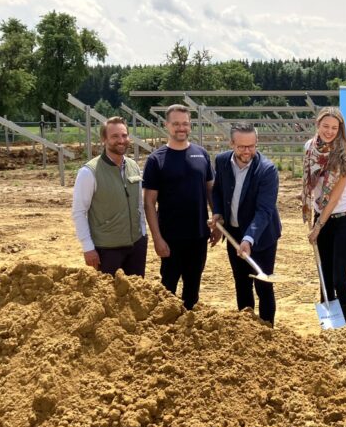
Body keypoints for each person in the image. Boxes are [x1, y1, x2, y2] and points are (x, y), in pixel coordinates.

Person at [143, 104, 215, 310]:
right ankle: (167, 325)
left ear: (190, 125)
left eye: (185, 123)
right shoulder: (156, 160)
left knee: (193, 288)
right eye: (176, 124)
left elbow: (210, 191)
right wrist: (157, 239)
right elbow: (149, 203)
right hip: (170, 238)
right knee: (168, 288)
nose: (181, 128)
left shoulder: (201, 154)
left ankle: (188, 325)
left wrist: (217, 221)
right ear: (167, 125)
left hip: (198, 236)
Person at [211, 123, 282, 325]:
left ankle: (267, 330)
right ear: (231, 143)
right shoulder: (222, 161)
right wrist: (218, 212)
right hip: (233, 234)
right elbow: (217, 191)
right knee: (241, 283)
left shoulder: (267, 170)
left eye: (251, 146)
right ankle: (246, 330)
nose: (247, 151)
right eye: (241, 146)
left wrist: (249, 239)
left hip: (261, 237)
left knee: (263, 285)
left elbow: (264, 210)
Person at [71, 116, 147, 276]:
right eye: (115, 136)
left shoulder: (133, 166)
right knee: (108, 291)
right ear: (104, 139)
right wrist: (88, 247)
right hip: (107, 249)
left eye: (124, 135)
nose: (121, 140)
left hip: (136, 245)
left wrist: (143, 235)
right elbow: (79, 212)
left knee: (136, 290)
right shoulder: (89, 172)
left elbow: (139, 204)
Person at [303, 107, 346, 323]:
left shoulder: (343, 155)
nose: (329, 131)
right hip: (321, 216)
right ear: (318, 125)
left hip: (345, 219)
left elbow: (334, 198)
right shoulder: (309, 148)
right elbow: (310, 181)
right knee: (324, 278)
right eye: (325, 126)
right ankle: (329, 326)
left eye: (334, 128)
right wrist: (306, 199)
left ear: (340, 130)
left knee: (339, 279)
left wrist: (318, 227)